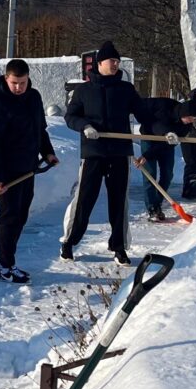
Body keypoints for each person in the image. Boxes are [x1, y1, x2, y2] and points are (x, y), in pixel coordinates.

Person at [62, 41, 151, 265]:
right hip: (93, 153)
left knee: (119, 202)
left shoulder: (126, 89)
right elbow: (70, 117)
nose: (115, 64)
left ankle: (119, 247)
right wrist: (85, 126)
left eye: (117, 61)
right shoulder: (83, 90)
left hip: (120, 153)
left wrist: (166, 129)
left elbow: (144, 115)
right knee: (84, 200)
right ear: (100, 63)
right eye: (111, 61)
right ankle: (69, 242)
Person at [0, 59, 59, 284]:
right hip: (7, 174)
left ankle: (9, 262)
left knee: (21, 217)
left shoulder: (33, 98)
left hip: (28, 169)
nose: (18, 87)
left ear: (28, 79)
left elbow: (39, 130)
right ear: (6, 79)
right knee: (10, 218)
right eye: (14, 82)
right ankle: (4, 266)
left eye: (22, 82)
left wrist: (48, 153)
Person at [134, 97, 196, 221]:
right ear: (184, 114)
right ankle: (152, 208)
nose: (191, 121)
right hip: (149, 137)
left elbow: (169, 143)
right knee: (150, 174)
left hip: (166, 144)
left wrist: (150, 154)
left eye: (194, 119)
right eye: (190, 118)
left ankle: (157, 204)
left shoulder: (186, 126)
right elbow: (156, 124)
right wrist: (147, 155)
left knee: (167, 174)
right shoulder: (164, 108)